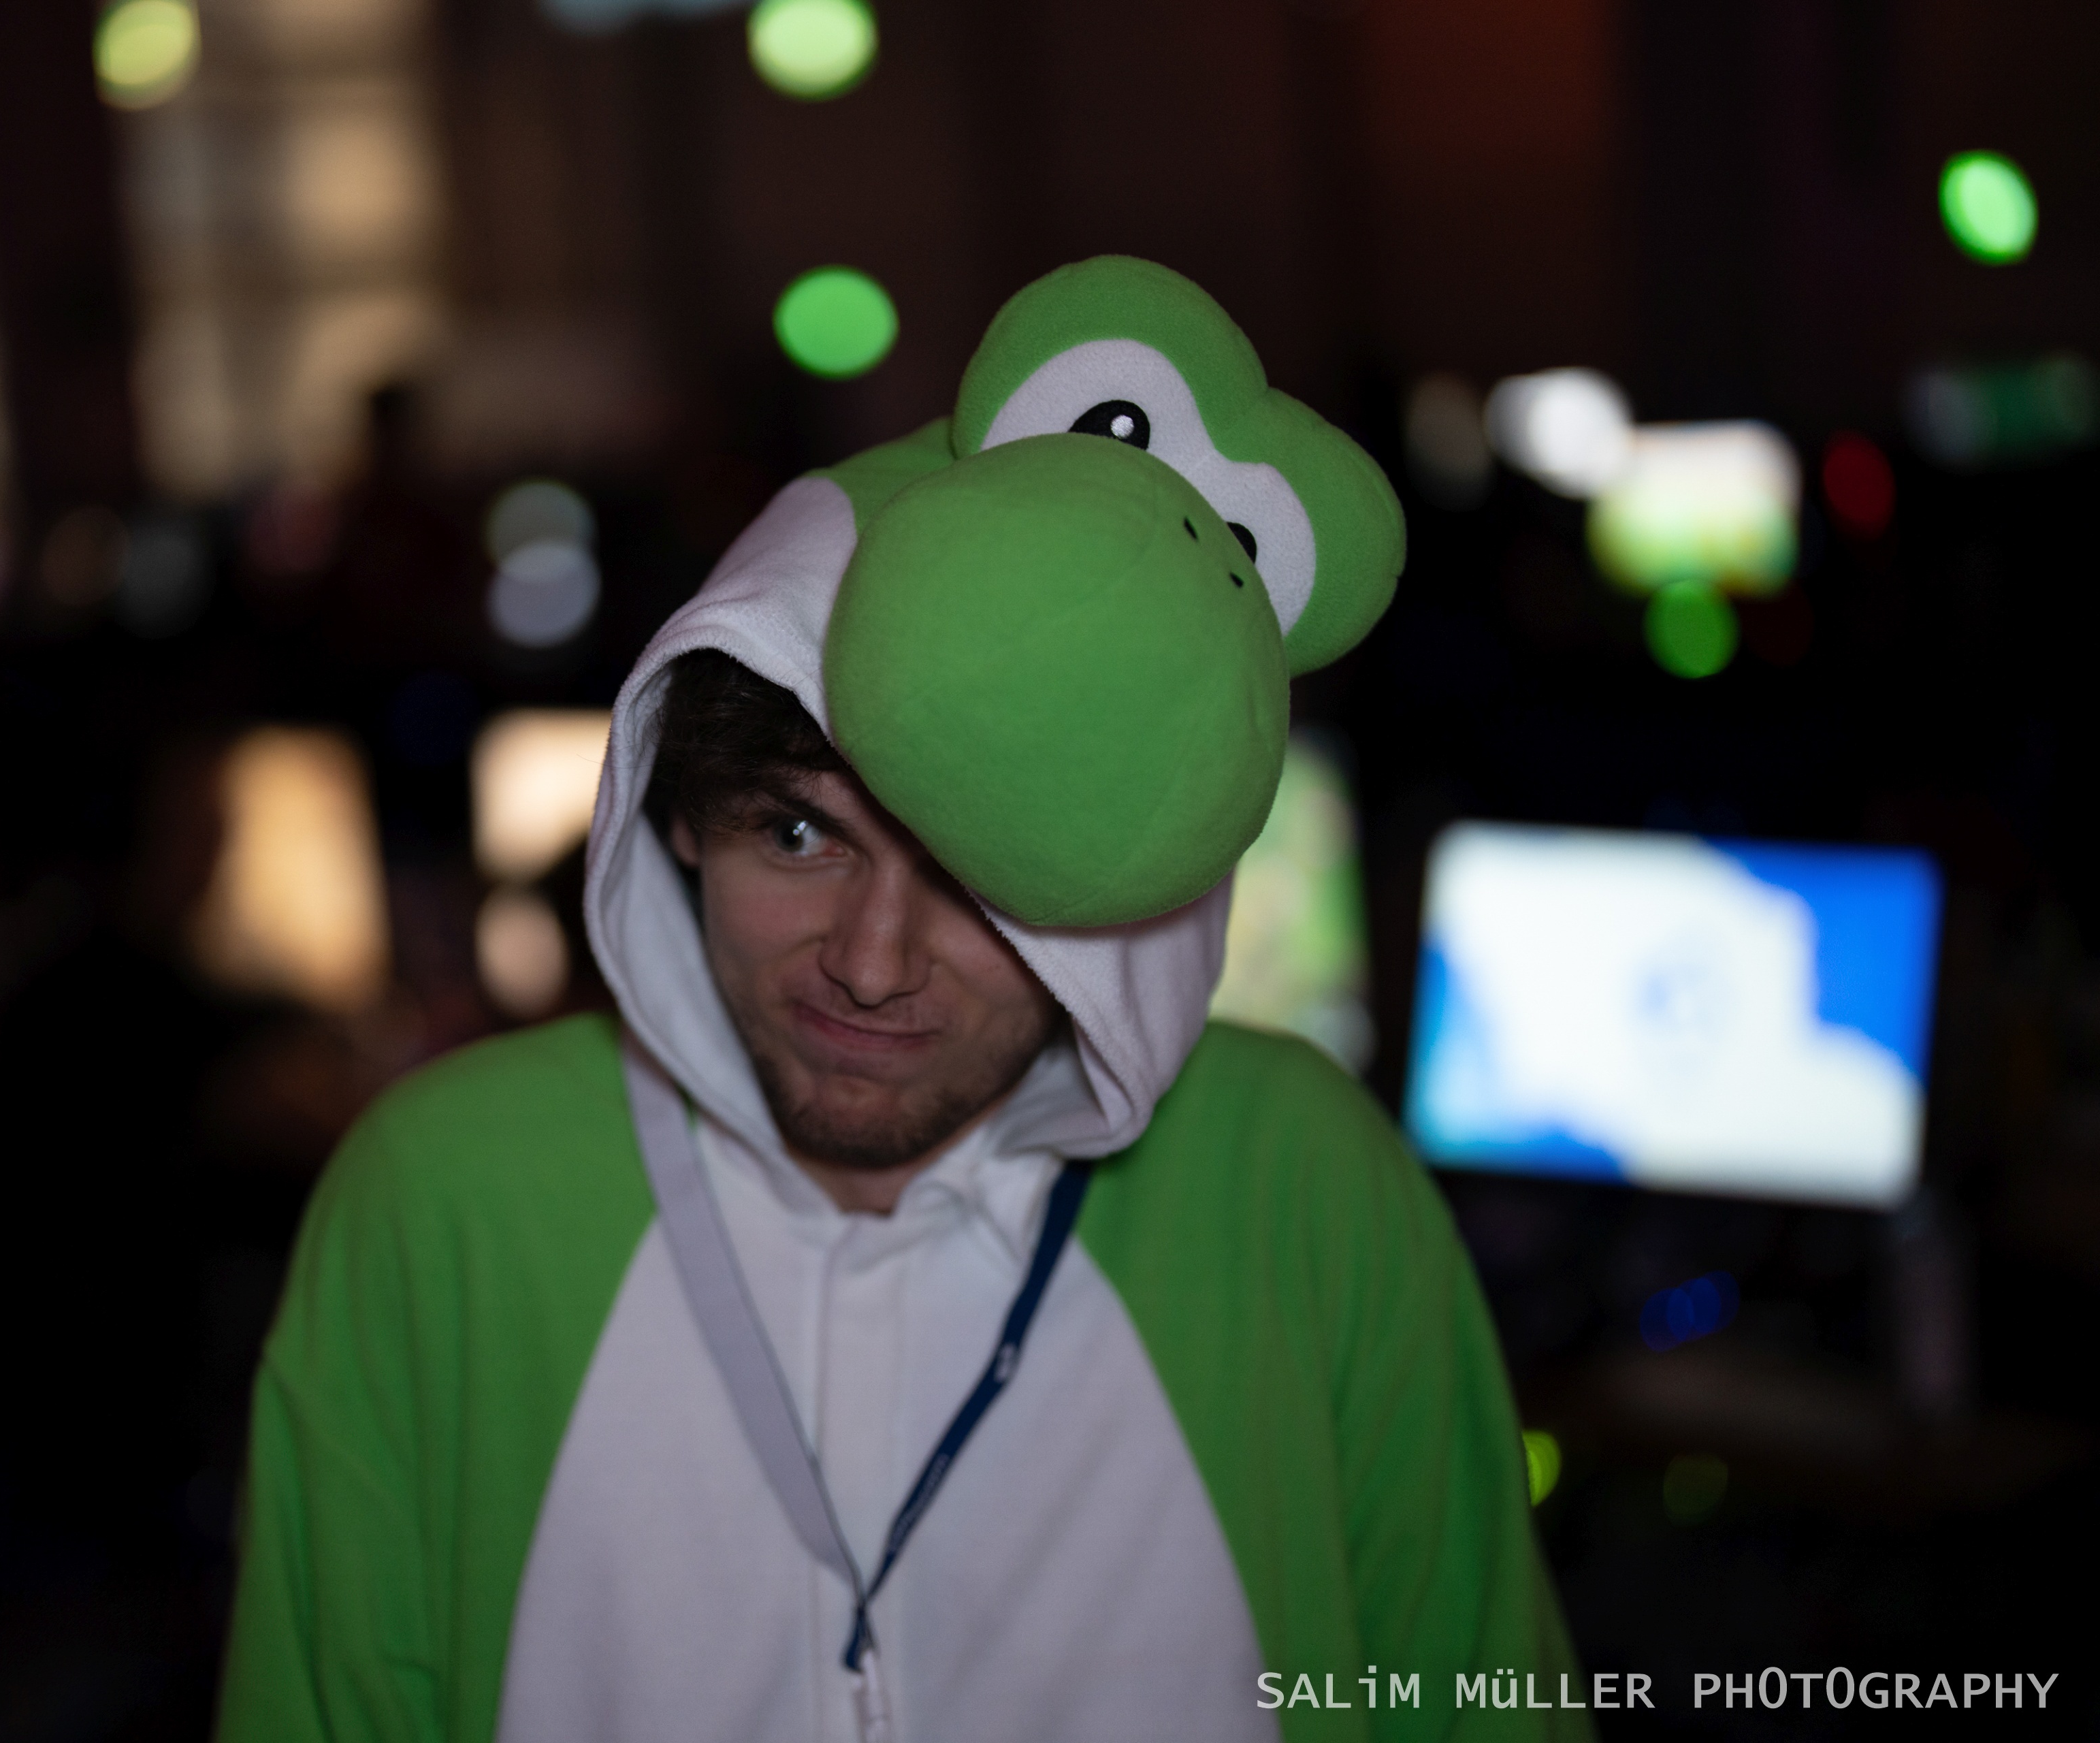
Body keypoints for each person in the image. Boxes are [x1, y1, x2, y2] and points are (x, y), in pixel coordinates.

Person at [216, 257, 1589, 1742]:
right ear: (678, 814)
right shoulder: (446, 1204)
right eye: (797, 833)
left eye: (982, 877)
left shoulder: (1303, 1192)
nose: (871, 963)